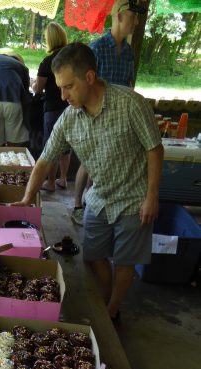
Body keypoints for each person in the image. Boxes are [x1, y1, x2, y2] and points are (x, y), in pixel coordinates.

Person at [14, 42, 163, 322]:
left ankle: (111, 310)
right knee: (92, 257)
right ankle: (105, 303)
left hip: (134, 198)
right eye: (60, 87)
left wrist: (152, 195)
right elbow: (45, 159)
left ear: (90, 78)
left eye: (68, 86)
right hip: (99, 198)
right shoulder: (70, 117)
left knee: (125, 262)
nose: (63, 94)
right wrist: (26, 199)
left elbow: (154, 148)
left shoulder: (131, 103)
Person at [71, 0, 146, 226]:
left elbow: (129, 84)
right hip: (96, 113)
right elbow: (86, 85)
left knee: (107, 164)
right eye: (133, 16)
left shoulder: (129, 53)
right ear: (120, 16)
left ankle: (96, 206)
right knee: (89, 161)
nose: (136, 22)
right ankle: (77, 206)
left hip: (121, 115)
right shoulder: (98, 48)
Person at [32, 22, 71, 192]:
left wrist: (34, 84)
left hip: (53, 108)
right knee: (66, 146)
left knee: (52, 145)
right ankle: (63, 179)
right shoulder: (72, 59)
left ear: (49, 40)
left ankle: (50, 182)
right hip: (71, 107)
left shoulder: (48, 62)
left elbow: (38, 89)